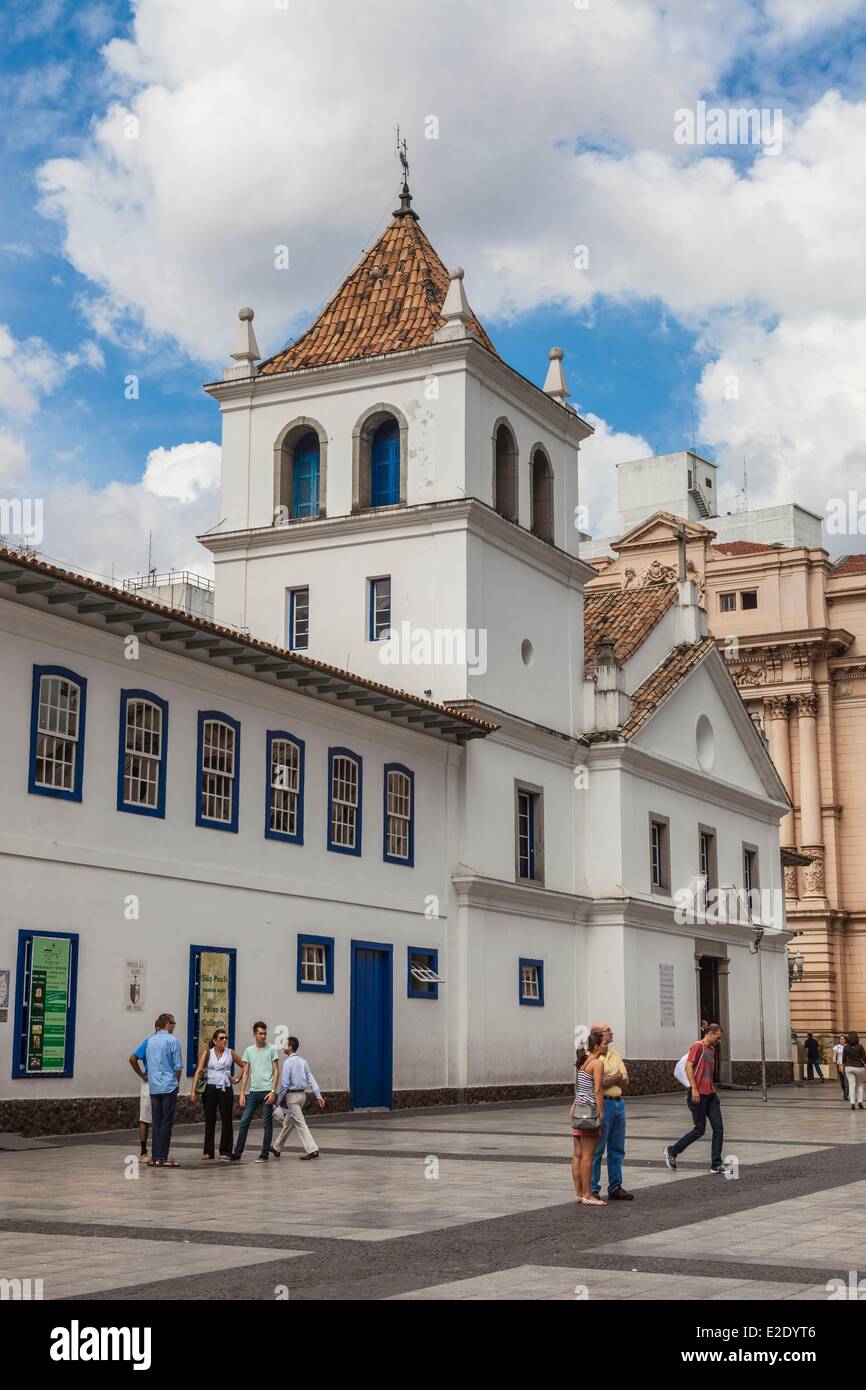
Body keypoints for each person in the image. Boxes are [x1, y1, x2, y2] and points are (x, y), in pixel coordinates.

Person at [664, 1023, 725, 1175]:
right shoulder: (698, 1046)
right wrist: (694, 1089)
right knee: (699, 1130)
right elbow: (689, 1067)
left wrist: (712, 1086)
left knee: (719, 1128)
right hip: (697, 1094)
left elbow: (707, 1072)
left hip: (711, 1094)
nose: (719, 1041)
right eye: (717, 1038)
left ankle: (716, 1164)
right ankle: (672, 1150)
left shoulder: (712, 1049)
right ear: (710, 1033)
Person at [130, 1012, 182, 1168]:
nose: (174, 1026)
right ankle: (162, 1156)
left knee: (157, 1122)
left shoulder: (150, 1041)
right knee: (167, 1122)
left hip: (153, 1087)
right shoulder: (173, 1041)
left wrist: (146, 1077)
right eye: (173, 1023)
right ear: (168, 1024)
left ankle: (155, 1157)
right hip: (168, 1086)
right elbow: (178, 1066)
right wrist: (176, 1083)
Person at [589, 1022, 633, 1202]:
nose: (612, 1032)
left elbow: (626, 1079)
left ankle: (615, 1186)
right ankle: (593, 1188)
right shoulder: (592, 1058)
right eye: (608, 1030)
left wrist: (613, 1078)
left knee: (617, 1148)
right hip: (603, 1104)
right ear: (598, 1036)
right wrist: (616, 1077)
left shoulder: (615, 1054)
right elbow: (599, 1084)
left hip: (618, 1103)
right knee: (597, 1149)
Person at [189, 1029, 244, 1161]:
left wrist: (237, 1079)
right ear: (214, 1041)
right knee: (210, 1119)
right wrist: (193, 1090)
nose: (224, 1040)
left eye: (226, 1038)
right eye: (221, 1038)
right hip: (210, 1089)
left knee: (226, 1119)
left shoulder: (230, 1053)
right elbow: (198, 1071)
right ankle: (208, 1151)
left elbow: (245, 1065)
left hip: (225, 1088)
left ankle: (225, 1150)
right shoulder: (208, 1053)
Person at [270, 1036, 325, 1160]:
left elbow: (284, 1083)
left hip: (293, 1098)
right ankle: (276, 1148)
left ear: (290, 1048)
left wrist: (279, 1099)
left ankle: (313, 1150)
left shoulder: (288, 1062)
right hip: (302, 1096)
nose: (283, 1046)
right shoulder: (303, 1061)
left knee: (300, 1122)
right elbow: (311, 1079)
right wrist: (318, 1095)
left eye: (285, 1044)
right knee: (289, 1122)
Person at [231, 1022, 280, 1162]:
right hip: (253, 1092)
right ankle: (238, 1152)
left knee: (267, 1123)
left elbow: (276, 1071)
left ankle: (264, 1154)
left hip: (267, 1091)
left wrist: (273, 1091)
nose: (263, 1036)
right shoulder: (249, 1051)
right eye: (260, 1033)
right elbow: (246, 1072)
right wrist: (241, 1093)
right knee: (244, 1121)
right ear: (254, 1034)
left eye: (265, 1033)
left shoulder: (271, 1049)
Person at [571, 1028, 607, 1206]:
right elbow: (598, 1090)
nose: (606, 1047)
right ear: (597, 1047)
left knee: (577, 1154)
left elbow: (578, 1088)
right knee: (588, 1155)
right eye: (605, 1044)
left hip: (577, 1109)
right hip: (589, 1111)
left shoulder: (582, 1062)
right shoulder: (597, 1064)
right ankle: (587, 1194)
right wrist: (601, 1113)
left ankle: (578, 1193)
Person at [127, 1037, 152, 1164]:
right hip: (150, 1083)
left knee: (150, 1119)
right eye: (172, 1023)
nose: (174, 1026)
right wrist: (143, 1075)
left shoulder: (170, 1041)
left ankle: (158, 1152)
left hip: (160, 1083)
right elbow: (132, 1058)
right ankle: (143, 1152)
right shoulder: (149, 1042)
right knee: (145, 1118)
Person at [843, 1031, 866, 1111]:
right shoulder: (860, 1046)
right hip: (859, 1067)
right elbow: (864, 1058)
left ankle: (852, 1103)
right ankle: (860, 1102)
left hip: (849, 1067)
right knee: (860, 1085)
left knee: (851, 1085)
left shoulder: (845, 1047)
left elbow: (843, 1060)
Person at [832, 1034, 849, 1102]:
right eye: (841, 1039)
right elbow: (834, 1055)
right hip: (839, 1065)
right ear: (839, 1040)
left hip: (847, 1065)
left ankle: (846, 1095)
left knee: (846, 1080)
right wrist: (834, 1061)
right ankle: (845, 1091)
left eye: (843, 1039)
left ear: (845, 1040)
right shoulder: (837, 1047)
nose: (842, 1040)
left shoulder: (847, 1047)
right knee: (842, 1081)